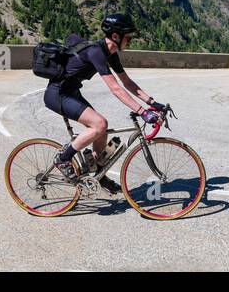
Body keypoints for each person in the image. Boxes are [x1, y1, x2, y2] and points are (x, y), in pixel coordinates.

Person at [45, 12, 165, 192]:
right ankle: (63, 158)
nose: (130, 41)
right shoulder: (96, 51)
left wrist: (152, 102)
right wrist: (142, 111)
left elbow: (127, 82)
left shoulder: (111, 53)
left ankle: (100, 174)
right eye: (128, 37)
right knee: (99, 124)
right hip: (58, 94)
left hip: (71, 92)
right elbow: (116, 88)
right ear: (115, 36)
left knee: (102, 129)